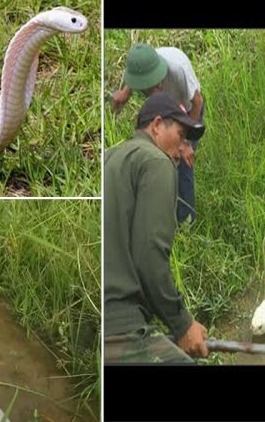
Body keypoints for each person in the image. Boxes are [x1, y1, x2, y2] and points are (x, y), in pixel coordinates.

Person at [104, 92, 209, 363]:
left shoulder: (109, 157)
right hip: (119, 327)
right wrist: (182, 323)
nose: (186, 150)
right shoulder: (156, 161)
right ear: (157, 125)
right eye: (182, 136)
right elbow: (149, 254)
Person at [112, 43, 204, 224]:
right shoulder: (140, 66)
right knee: (160, 158)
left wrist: (185, 141)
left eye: (156, 83)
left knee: (182, 162)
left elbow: (197, 102)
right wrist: (124, 93)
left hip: (187, 110)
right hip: (164, 111)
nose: (154, 90)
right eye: (148, 87)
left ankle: (186, 221)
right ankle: (161, 210)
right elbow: (133, 77)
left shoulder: (178, 70)